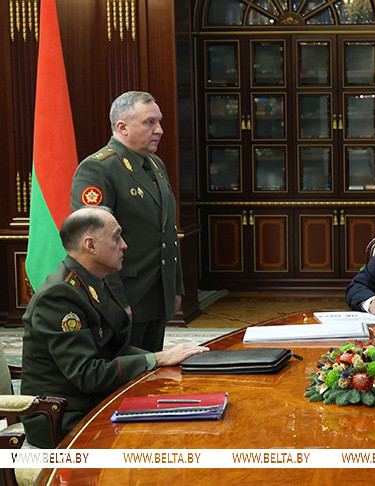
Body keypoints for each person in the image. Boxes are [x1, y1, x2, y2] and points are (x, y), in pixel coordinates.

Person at [21, 207, 208, 448]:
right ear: (90, 245)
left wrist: (164, 358)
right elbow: (87, 374)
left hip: (95, 402)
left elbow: (115, 348)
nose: (124, 245)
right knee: (167, 436)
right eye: (117, 237)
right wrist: (157, 359)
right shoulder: (59, 296)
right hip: (64, 417)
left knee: (187, 411)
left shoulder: (92, 281)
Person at [71, 91, 183, 351]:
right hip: (127, 295)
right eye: (149, 122)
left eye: (159, 121)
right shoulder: (98, 168)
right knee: (127, 370)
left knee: (154, 368)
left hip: (157, 294)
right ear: (122, 127)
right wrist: (117, 300)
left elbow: (167, 231)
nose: (159, 130)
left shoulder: (156, 165)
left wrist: (175, 287)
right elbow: (95, 243)